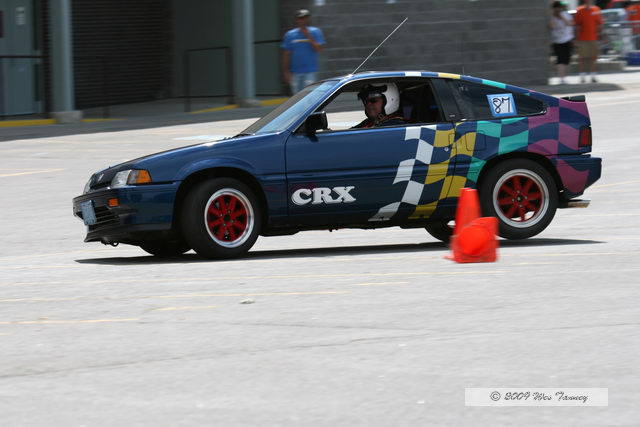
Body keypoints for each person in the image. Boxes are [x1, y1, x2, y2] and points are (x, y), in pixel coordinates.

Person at [281, 9, 326, 94]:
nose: (303, 20)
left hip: (310, 72)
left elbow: (319, 49)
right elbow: (286, 55)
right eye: (301, 18)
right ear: (296, 20)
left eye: (305, 18)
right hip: (295, 73)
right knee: (296, 98)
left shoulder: (315, 32)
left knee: (309, 96)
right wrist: (286, 72)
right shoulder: (290, 35)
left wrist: (308, 36)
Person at [574, 0, 604, 82]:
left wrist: (601, 35)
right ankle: (582, 77)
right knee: (582, 58)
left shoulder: (596, 9)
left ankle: (593, 76)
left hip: (593, 38)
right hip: (582, 39)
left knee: (593, 58)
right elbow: (576, 26)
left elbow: (600, 24)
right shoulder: (579, 10)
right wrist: (576, 39)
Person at [550, 1, 574, 84]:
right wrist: (553, 16)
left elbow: (569, 23)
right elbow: (552, 26)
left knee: (567, 59)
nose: (558, 10)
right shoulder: (551, 17)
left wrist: (561, 17)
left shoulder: (565, 14)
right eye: (556, 9)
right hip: (557, 41)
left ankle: (564, 77)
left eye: (559, 9)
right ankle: (561, 78)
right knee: (560, 59)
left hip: (567, 39)